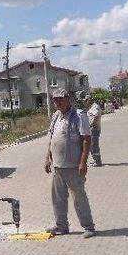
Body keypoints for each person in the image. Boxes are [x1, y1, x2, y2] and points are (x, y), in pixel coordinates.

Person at [44, 88, 96, 238]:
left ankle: (89, 227)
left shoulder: (79, 115)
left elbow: (87, 139)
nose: (57, 102)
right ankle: (61, 226)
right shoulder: (55, 116)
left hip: (73, 166)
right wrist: (47, 158)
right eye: (55, 100)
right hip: (58, 166)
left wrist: (83, 162)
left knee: (79, 197)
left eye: (60, 99)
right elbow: (51, 139)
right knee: (58, 198)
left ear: (68, 99)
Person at [84, 94, 102, 167]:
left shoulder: (95, 106)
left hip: (94, 128)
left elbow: (96, 115)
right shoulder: (92, 107)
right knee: (92, 145)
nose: (85, 102)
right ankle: (96, 160)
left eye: (86, 100)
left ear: (89, 100)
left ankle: (97, 162)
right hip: (92, 129)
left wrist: (91, 124)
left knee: (94, 145)